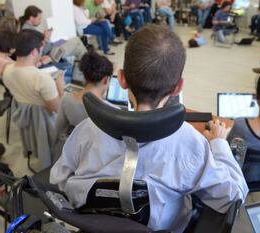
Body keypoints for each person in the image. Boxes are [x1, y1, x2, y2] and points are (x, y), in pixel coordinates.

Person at [50, 25, 248, 232]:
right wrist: (218, 144)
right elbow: (233, 195)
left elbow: (59, 179)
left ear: (122, 78)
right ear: (178, 87)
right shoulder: (189, 142)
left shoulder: (86, 129)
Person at [55, 50, 113, 148]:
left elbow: (59, 128)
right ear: (106, 80)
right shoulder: (112, 110)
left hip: (76, 148)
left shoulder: (66, 99)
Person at [3, 29, 65, 113]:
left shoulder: (7, 70)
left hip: (25, 117)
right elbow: (58, 110)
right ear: (35, 51)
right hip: (46, 120)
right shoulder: (42, 79)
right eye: (42, 49)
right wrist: (60, 89)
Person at [20, 5, 87, 65]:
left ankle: (86, 66)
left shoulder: (28, 27)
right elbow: (38, 51)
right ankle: (88, 66)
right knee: (77, 42)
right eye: (39, 19)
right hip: (50, 51)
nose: (40, 21)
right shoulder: (27, 31)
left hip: (51, 45)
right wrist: (45, 38)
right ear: (31, 18)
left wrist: (45, 37)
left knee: (70, 41)